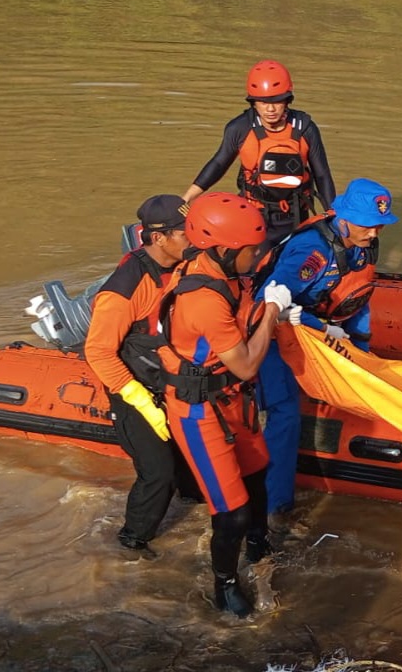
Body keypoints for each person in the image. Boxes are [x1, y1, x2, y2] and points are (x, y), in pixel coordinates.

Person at [157, 192, 292, 617]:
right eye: (253, 250)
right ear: (223, 250)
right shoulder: (204, 300)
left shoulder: (225, 273)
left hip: (231, 399)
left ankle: (258, 545)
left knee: (256, 475)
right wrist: (272, 313)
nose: (259, 255)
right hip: (199, 411)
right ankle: (225, 584)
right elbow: (249, 363)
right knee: (230, 512)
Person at [255, 177, 399, 519]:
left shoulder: (363, 242)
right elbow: (268, 301)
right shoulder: (313, 251)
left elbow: (358, 296)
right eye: (368, 225)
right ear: (344, 219)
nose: (375, 233)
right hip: (278, 332)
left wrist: (361, 349)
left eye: (380, 225)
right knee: (285, 413)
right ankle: (276, 507)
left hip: (323, 328)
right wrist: (322, 328)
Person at [85, 195, 200, 557]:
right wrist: (137, 398)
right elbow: (98, 351)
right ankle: (132, 541)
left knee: (192, 460)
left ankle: (194, 509)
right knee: (158, 472)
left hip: (173, 379)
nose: (194, 239)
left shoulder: (184, 265)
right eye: (186, 233)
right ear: (159, 238)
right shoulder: (124, 289)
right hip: (136, 388)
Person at [183, 59, 336, 244]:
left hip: (296, 215)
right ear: (253, 103)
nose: (270, 109)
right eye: (263, 102)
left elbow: (322, 175)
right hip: (253, 214)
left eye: (277, 101)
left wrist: (332, 215)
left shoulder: (306, 128)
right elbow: (219, 163)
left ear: (287, 100)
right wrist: (188, 197)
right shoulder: (240, 128)